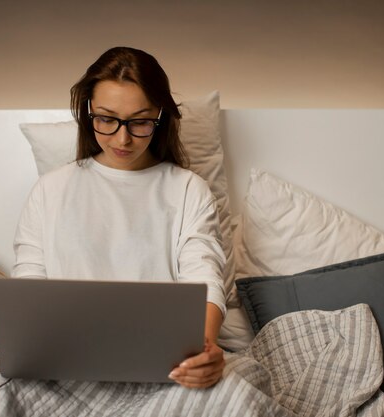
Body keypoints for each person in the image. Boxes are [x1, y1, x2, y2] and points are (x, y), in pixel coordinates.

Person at [12, 46, 227, 389]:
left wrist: (202, 353)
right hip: (64, 368)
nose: (123, 138)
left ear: (160, 116)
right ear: (88, 113)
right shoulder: (49, 190)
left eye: (140, 121)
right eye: (107, 119)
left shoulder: (189, 189)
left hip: (167, 369)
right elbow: (27, 290)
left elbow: (204, 279)